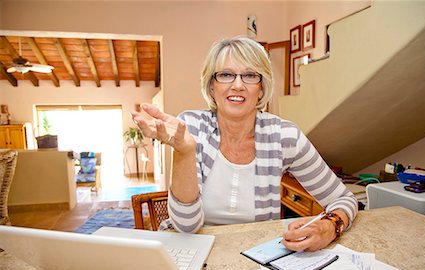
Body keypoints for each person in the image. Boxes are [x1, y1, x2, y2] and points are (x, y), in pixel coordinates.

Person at [132, 36, 358, 252]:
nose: (238, 85)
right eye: (226, 74)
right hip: (192, 251)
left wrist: (330, 226)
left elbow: (343, 199)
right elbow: (187, 226)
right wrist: (184, 151)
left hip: (256, 255)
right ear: (212, 86)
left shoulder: (284, 136)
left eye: (250, 75)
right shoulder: (191, 127)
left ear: (261, 88)